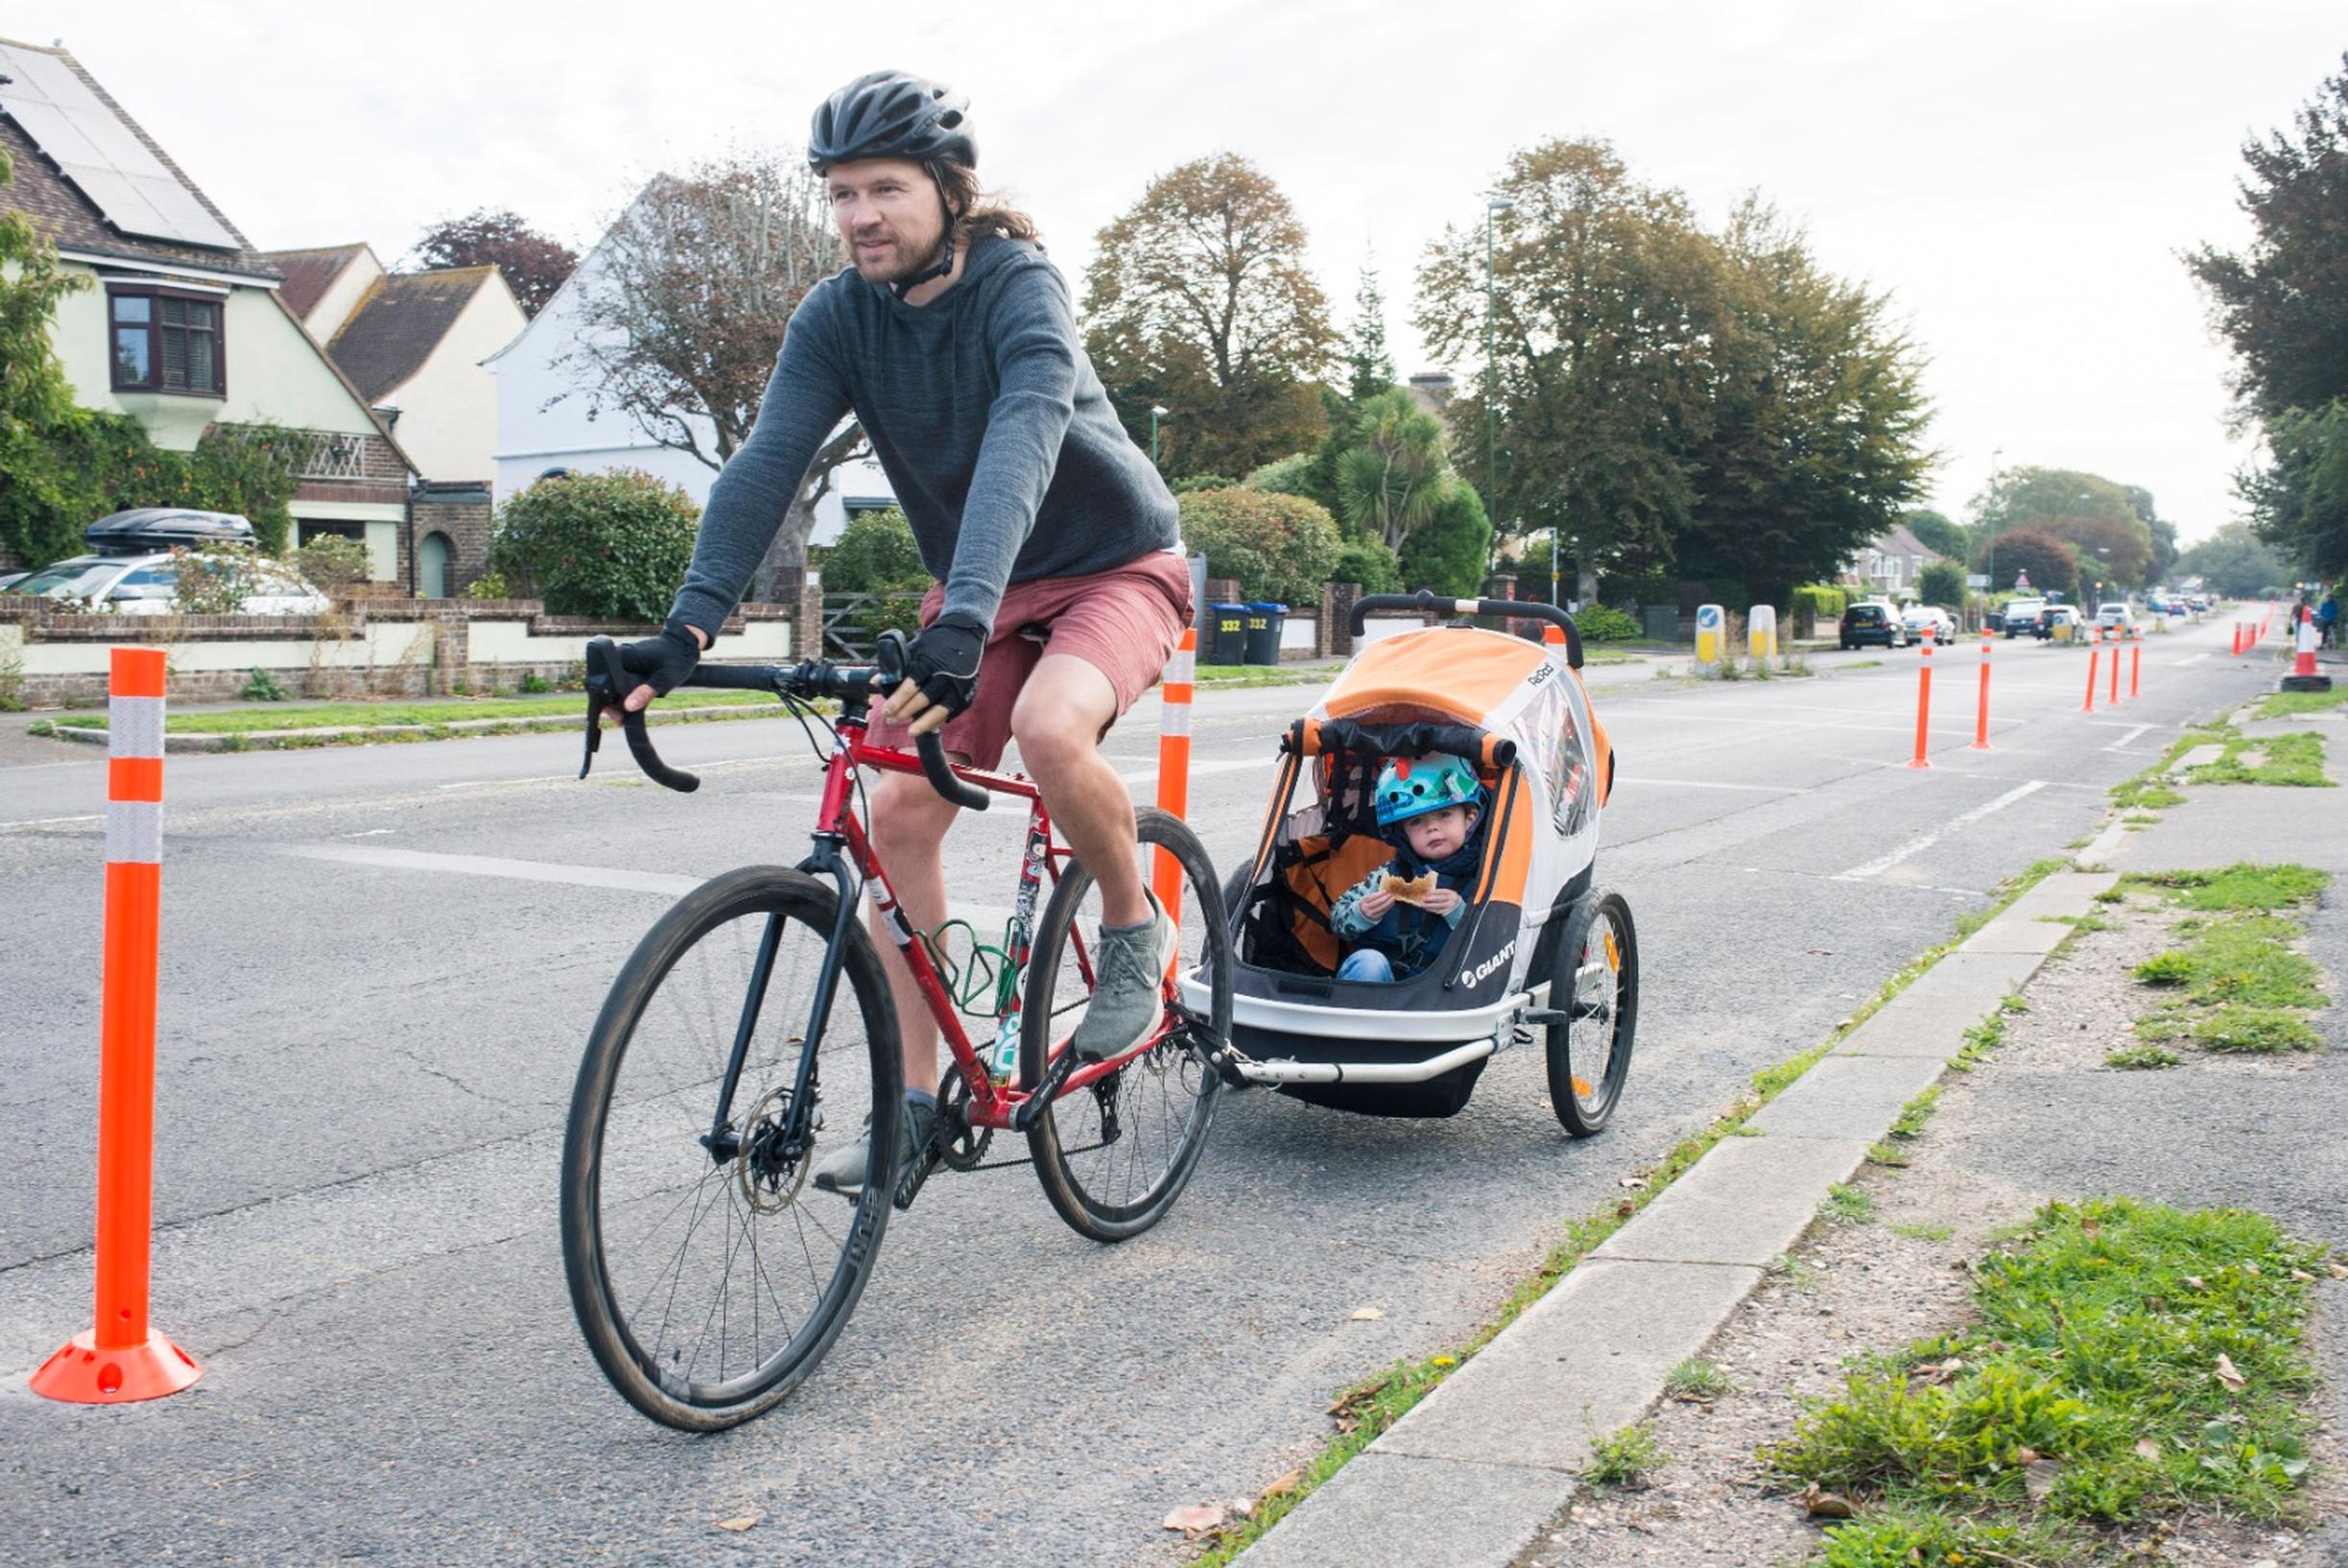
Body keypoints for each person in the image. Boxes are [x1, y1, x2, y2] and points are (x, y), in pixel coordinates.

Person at [608, 70, 1192, 1198]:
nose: (859, 215)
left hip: (1111, 564)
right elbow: (768, 461)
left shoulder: (1020, 286)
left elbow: (1025, 433)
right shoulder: (836, 317)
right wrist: (683, 628)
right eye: (838, 194)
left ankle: (1133, 927)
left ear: (949, 188)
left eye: (882, 187)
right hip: (982, 591)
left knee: (1050, 729)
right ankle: (920, 1101)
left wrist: (963, 614)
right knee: (898, 810)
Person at [1329, 755, 1487, 984]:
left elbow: (1494, 942)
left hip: (1446, 987)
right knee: (1368, 961)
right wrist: (1361, 913)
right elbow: (1337, 920)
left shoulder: (1486, 876)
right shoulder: (1386, 875)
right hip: (1381, 984)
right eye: (1416, 822)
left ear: (1470, 819)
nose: (1432, 827)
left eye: (1444, 814)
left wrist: (1459, 913)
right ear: (1402, 833)